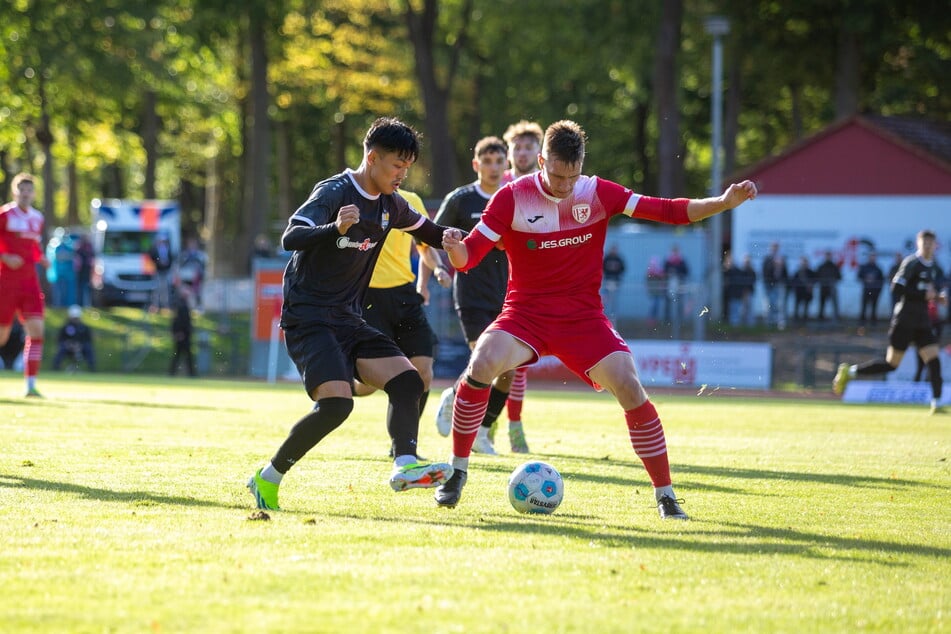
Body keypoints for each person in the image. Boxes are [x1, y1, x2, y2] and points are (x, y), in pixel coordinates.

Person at [435, 120, 758, 519]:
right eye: (556, 174)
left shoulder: (598, 192)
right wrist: (453, 250)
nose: (564, 185)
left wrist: (722, 203)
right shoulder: (510, 197)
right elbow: (469, 257)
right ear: (541, 162)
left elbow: (669, 211)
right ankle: (457, 473)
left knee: (629, 383)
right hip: (525, 314)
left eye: (572, 176)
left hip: (583, 319)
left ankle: (666, 495)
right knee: (482, 361)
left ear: (582, 166)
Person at [246, 117, 455, 511]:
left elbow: (429, 231)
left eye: (407, 167)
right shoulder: (335, 191)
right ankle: (266, 477)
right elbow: (291, 236)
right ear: (372, 158)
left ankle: (405, 465)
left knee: (409, 381)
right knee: (338, 405)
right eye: (397, 165)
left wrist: (468, 239)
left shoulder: (393, 205)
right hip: (309, 318)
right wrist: (333, 227)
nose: (402, 174)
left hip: (348, 318)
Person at [431, 136, 529, 455]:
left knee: (509, 371)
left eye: (498, 161)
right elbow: (432, 235)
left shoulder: (516, 198)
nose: (493, 167)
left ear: (507, 164)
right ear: (476, 165)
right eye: (486, 161)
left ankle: (484, 431)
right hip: (472, 294)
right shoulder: (461, 200)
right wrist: (440, 264)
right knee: (484, 361)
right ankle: (458, 401)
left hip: (508, 296)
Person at [353, 189, 451, 455]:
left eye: (403, 164)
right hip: (368, 296)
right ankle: (334, 386)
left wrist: (438, 269)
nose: (398, 170)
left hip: (405, 296)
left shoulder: (412, 201)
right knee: (367, 386)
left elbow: (424, 247)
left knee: (423, 372)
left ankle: (403, 447)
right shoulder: (357, 198)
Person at [835, 229, 947, 414]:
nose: (928, 246)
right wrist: (924, 294)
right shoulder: (911, 263)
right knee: (892, 365)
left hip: (922, 323)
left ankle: (936, 403)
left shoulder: (934, 266)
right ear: (918, 244)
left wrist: (938, 297)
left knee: (934, 361)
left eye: (931, 243)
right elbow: (896, 288)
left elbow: (933, 289)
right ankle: (851, 371)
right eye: (924, 243)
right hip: (904, 320)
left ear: (935, 245)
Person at [498, 120, 545, 441]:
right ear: (509, 151)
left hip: (529, 280)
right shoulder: (497, 185)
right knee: (487, 354)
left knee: (520, 359)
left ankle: (514, 425)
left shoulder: (548, 185)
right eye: (518, 146)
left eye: (530, 146)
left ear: (539, 152)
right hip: (494, 277)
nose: (523, 152)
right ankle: (484, 421)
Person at [0, 173, 49, 397]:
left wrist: (42, 258)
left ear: (34, 193)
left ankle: (30, 385)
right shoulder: (5, 214)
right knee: (2, 336)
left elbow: (34, 246)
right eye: (22, 190)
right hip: (7, 283)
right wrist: (5, 256)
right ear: (15, 192)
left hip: (30, 283)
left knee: (37, 331)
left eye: (29, 190)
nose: (26, 193)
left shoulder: (37, 218)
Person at [53, 304, 95, 371]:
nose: (75, 319)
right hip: (68, 348)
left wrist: (80, 345)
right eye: (74, 317)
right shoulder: (65, 327)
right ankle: (55, 368)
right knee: (61, 349)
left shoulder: (84, 328)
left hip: (81, 348)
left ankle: (92, 368)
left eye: (77, 318)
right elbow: (60, 339)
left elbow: (88, 340)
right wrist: (68, 344)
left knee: (88, 348)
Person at [168, 292, 197, 377]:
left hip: (183, 335)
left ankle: (173, 372)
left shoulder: (180, 306)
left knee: (179, 355)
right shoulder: (182, 306)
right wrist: (179, 332)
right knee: (184, 356)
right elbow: (181, 322)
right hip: (183, 336)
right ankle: (190, 373)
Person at [762, 242, 788, 329]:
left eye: (776, 247)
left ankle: (780, 323)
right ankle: (769, 323)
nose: (775, 249)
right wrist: (774, 264)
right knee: (769, 304)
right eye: (773, 247)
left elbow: (785, 273)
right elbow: (765, 272)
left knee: (780, 304)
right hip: (769, 285)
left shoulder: (782, 258)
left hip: (778, 284)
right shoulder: (767, 259)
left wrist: (780, 265)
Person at [177, 237, 207, 310]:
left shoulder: (200, 255)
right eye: (191, 244)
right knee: (185, 293)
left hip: (197, 278)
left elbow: (203, 265)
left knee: (197, 292)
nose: (192, 245)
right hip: (187, 278)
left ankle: (198, 306)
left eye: (194, 244)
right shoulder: (185, 254)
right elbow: (181, 264)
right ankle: (185, 307)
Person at [857, 252, 885, 326]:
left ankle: (873, 323)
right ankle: (862, 323)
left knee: (874, 308)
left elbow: (882, 280)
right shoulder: (864, 267)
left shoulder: (878, 268)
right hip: (866, 290)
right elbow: (859, 276)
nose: (872, 258)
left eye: (874, 257)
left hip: (875, 291)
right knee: (864, 307)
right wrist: (865, 278)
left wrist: (878, 290)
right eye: (871, 256)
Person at [663, 244, 689, 324]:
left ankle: (680, 319)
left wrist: (677, 273)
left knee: (680, 301)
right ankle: (667, 319)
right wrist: (670, 273)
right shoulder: (668, 261)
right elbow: (664, 271)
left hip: (679, 283)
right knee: (668, 302)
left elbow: (686, 271)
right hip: (670, 284)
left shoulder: (682, 261)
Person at [148, 234, 174, 311]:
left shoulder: (168, 249)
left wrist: (167, 264)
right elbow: (152, 257)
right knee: (157, 289)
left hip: (165, 271)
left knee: (165, 289)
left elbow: (171, 259)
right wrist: (159, 262)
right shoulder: (155, 249)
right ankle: (155, 306)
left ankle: (165, 306)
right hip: (158, 270)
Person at [602, 244, 626, 322]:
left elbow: (623, 268)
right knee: (605, 299)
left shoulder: (619, 259)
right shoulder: (607, 258)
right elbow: (602, 267)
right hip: (608, 281)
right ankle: (603, 314)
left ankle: (613, 315)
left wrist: (618, 277)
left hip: (616, 281)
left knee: (614, 299)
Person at [815, 250, 842, 321]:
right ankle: (820, 320)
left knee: (834, 305)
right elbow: (816, 277)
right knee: (821, 305)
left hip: (832, 288)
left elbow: (839, 277)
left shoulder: (835, 267)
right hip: (823, 288)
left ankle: (835, 319)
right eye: (827, 256)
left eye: (829, 256)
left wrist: (833, 280)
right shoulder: (821, 266)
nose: (828, 257)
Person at [790, 255, 815, 322]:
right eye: (802, 262)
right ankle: (796, 321)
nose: (804, 263)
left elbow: (814, 281)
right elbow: (793, 282)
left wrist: (810, 286)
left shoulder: (811, 272)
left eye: (805, 262)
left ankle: (805, 321)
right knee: (797, 308)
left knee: (806, 308)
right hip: (799, 293)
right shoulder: (797, 272)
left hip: (807, 293)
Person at [74, 234, 95, 307]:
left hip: (87, 272)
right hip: (81, 272)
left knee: (85, 289)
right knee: (81, 289)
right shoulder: (80, 248)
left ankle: (86, 304)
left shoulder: (88, 248)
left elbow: (92, 260)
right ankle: (81, 304)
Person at [645, 255, 666, 326]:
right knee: (652, 306)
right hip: (652, 292)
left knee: (656, 306)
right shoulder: (650, 272)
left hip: (657, 292)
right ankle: (650, 320)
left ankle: (655, 321)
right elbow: (648, 282)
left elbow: (662, 281)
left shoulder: (660, 272)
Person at [738, 253, 758, 326]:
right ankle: (742, 323)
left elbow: (753, 280)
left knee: (750, 308)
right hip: (743, 293)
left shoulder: (752, 271)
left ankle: (750, 324)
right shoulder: (741, 270)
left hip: (749, 292)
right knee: (743, 309)